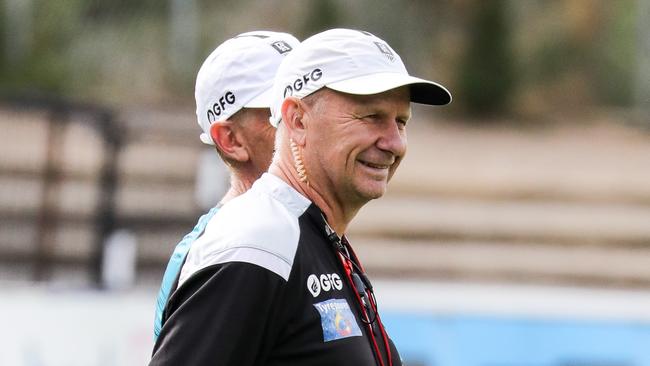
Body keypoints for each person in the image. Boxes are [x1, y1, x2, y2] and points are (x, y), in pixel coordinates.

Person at [149, 28, 451, 366]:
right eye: (371, 117)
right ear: (296, 119)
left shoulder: (310, 234)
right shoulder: (257, 243)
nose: (394, 143)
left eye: (401, 122)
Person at [152, 30, 300, 341]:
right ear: (230, 140)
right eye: (279, 113)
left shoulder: (305, 230)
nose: (302, 122)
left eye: (311, 103)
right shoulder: (229, 253)